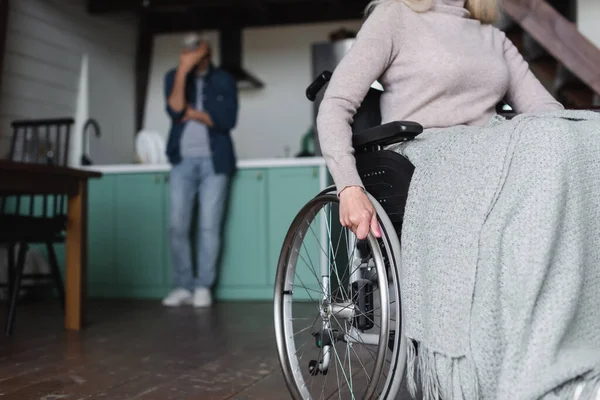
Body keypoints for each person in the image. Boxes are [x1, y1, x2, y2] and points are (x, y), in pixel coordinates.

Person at [317, 0, 600, 399]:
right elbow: (336, 106)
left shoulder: (493, 36)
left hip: (489, 153)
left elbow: (545, 113)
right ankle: (533, 376)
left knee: (586, 135)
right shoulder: (394, 16)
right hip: (423, 154)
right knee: (549, 140)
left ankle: (572, 358)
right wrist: (349, 186)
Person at [162, 34, 238, 308]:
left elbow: (226, 121)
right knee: (177, 225)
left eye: (197, 53)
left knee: (209, 226)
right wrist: (183, 70)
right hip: (181, 161)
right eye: (187, 53)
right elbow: (174, 110)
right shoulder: (174, 76)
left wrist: (194, 114)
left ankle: (203, 286)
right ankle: (184, 285)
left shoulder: (224, 80)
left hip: (215, 163)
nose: (193, 57)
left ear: (207, 53)